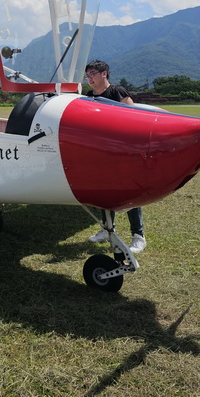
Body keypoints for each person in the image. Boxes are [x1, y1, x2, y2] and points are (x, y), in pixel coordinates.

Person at [84, 59, 146, 254]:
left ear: (105, 74)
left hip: (121, 152)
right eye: (87, 75)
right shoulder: (87, 96)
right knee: (104, 192)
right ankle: (106, 229)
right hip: (99, 152)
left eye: (93, 73)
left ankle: (138, 236)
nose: (90, 78)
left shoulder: (118, 92)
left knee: (129, 193)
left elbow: (134, 119)